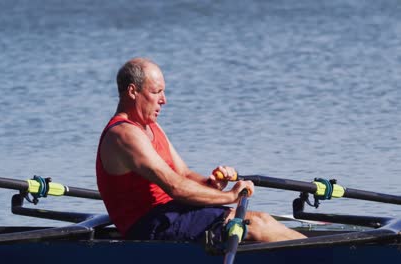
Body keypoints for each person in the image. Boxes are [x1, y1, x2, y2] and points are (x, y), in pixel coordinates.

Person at [96, 58, 306, 243]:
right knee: (257, 224)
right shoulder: (123, 135)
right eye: (156, 92)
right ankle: (328, 252)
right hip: (151, 227)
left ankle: (327, 249)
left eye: (163, 91)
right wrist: (231, 196)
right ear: (133, 91)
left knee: (262, 219)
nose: (164, 100)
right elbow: (176, 187)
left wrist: (211, 185)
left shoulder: (151, 126)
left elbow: (185, 175)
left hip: (174, 212)